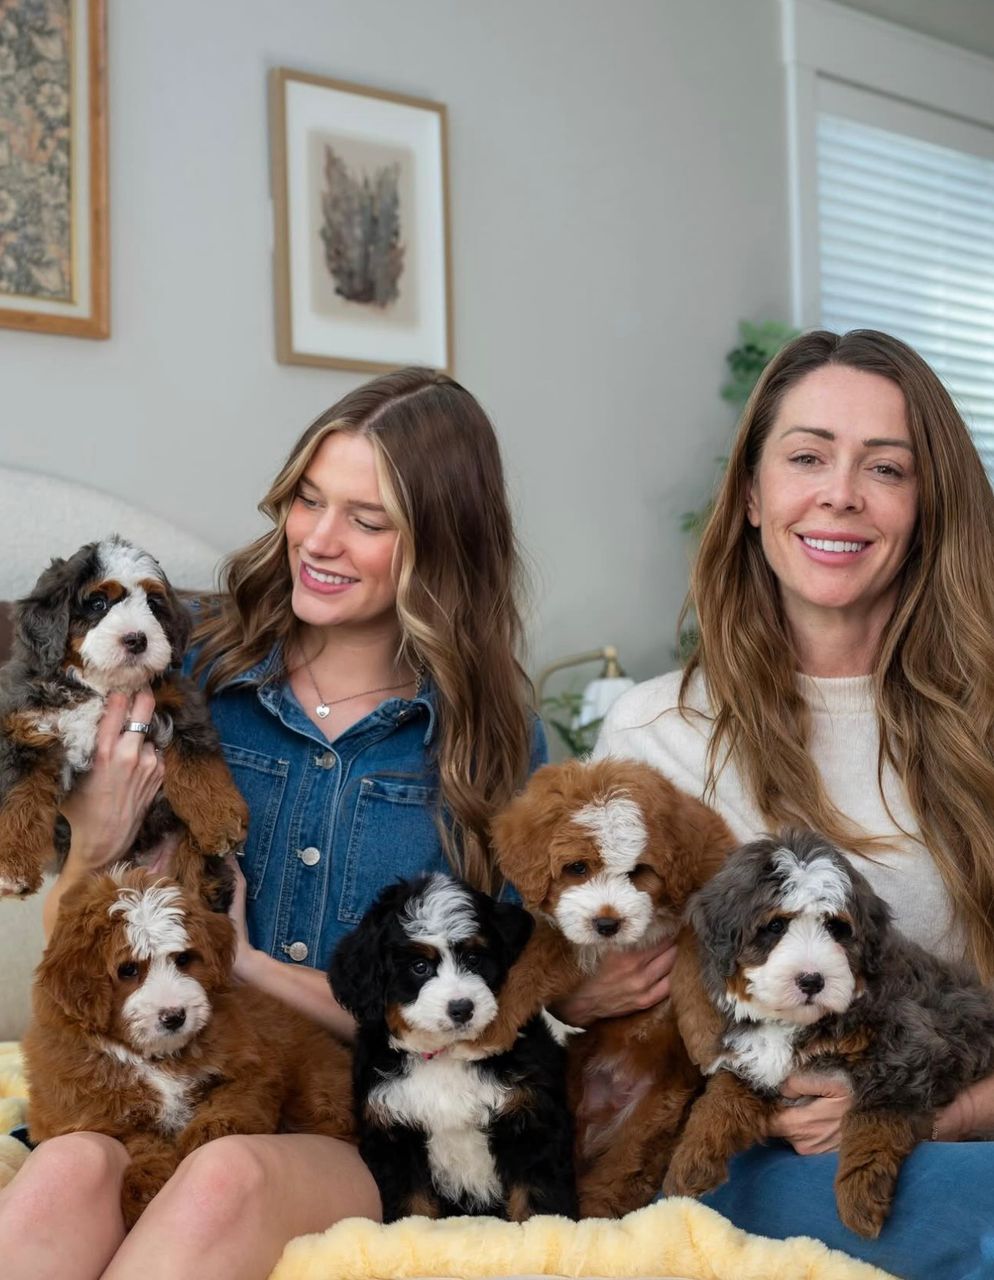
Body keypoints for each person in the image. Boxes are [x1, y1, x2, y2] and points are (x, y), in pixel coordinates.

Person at [0, 367, 558, 1280]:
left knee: (223, 1177)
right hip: (143, 1079)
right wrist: (97, 840)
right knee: (62, 1168)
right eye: (308, 499)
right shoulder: (189, 676)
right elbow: (77, 972)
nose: (320, 540)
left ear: (442, 543)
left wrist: (255, 969)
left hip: (338, 1110)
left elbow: (496, 1012)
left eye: (367, 520)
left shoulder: (488, 744)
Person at [593, 328, 994, 1279]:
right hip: (745, 1162)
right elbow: (615, 1028)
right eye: (807, 456)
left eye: (884, 467)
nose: (840, 493)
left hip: (952, 1142)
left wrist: (936, 1115)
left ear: (926, 508)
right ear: (750, 496)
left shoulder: (983, 731)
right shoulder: (657, 734)